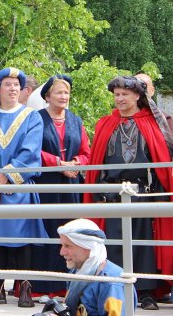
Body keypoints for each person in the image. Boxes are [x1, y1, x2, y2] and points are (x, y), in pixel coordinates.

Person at [84, 76, 173, 311]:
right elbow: (97, 161)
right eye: (117, 95)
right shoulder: (105, 123)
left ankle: (145, 292)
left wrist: (161, 192)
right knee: (112, 243)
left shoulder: (152, 123)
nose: (120, 99)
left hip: (142, 193)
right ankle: (114, 290)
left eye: (125, 94)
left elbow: (162, 160)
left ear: (137, 96)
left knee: (142, 243)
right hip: (112, 193)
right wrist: (99, 190)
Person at [0, 67, 47, 308]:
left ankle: (24, 288)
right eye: (8, 84)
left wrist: (9, 177)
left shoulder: (32, 117)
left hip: (19, 189)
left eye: (17, 84)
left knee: (22, 239)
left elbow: (31, 151)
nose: (13, 88)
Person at [31, 75, 91, 297]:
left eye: (66, 92)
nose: (63, 96)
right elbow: (32, 149)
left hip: (71, 185)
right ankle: (44, 287)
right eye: (59, 92)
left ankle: (70, 286)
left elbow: (87, 152)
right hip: (46, 184)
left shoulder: (76, 120)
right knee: (48, 233)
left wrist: (76, 163)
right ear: (48, 96)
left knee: (71, 234)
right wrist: (57, 163)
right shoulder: (36, 119)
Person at [58, 218, 136, 316]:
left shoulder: (111, 283)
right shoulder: (76, 272)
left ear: (88, 247)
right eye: (62, 245)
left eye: (68, 246)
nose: (62, 252)